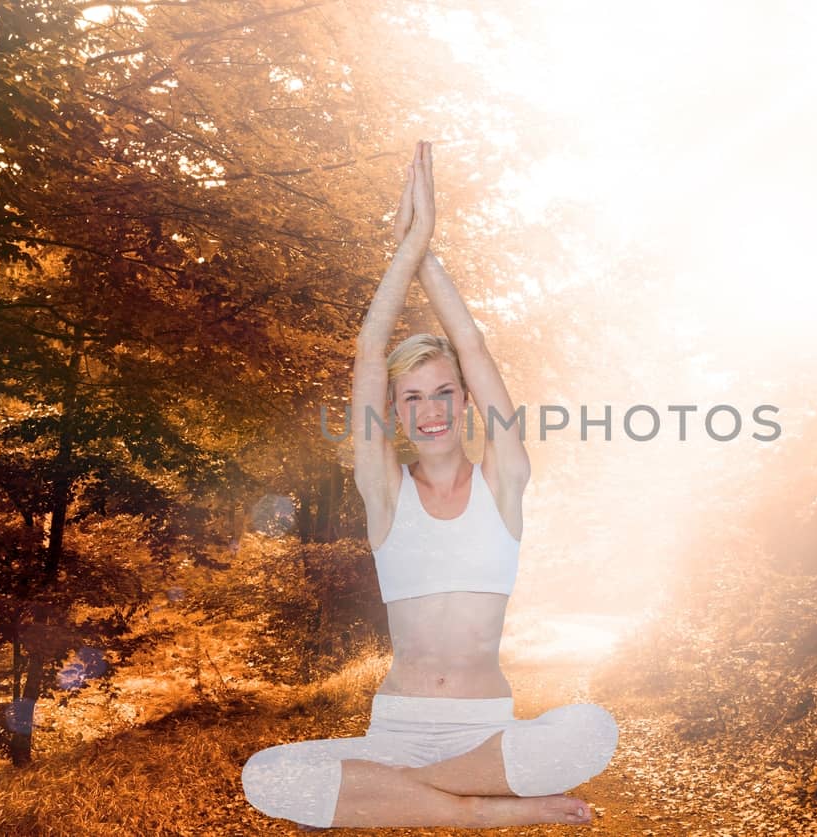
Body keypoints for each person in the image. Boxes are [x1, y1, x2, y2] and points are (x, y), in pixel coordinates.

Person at [241, 141, 619, 829]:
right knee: (264, 775)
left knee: (593, 728)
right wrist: (406, 246)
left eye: (445, 391)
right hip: (395, 726)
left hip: (485, 732)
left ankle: (402, 794)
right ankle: (487, 812)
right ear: (397, 414)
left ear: (468, 401)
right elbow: (366, 355)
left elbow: (473, 345)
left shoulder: (504, 480)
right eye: (412, 396)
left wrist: (428, 249)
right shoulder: (385, 494)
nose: (433, 407)